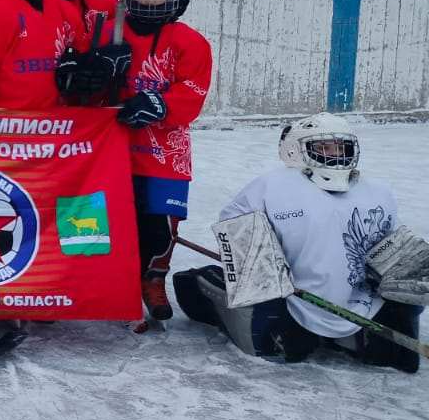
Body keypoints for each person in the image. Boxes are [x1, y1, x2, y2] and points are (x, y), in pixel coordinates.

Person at [173, 115, 420, 372]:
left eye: (341, 147)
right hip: (290, 299)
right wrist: (266, 271)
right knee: (277, 352)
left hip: (360, 305)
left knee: (397, 357)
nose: (335, 154)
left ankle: (340, 335)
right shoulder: (273, 185)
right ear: (295, 149)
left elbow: (397, 254)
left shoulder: (378, 191)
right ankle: (205, 283)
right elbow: (236, 229)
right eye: (324, 147)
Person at [90, 0, 213, 326]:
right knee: (101, 217)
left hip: (164, 149)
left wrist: (161, 104)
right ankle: (101, 282)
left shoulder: (189, 41)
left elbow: (194, 90)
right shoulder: (107, 33)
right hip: (109, 146)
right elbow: (84, 84)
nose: (152, 1)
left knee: (158, 224)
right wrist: (90, 74)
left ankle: (152, 279)